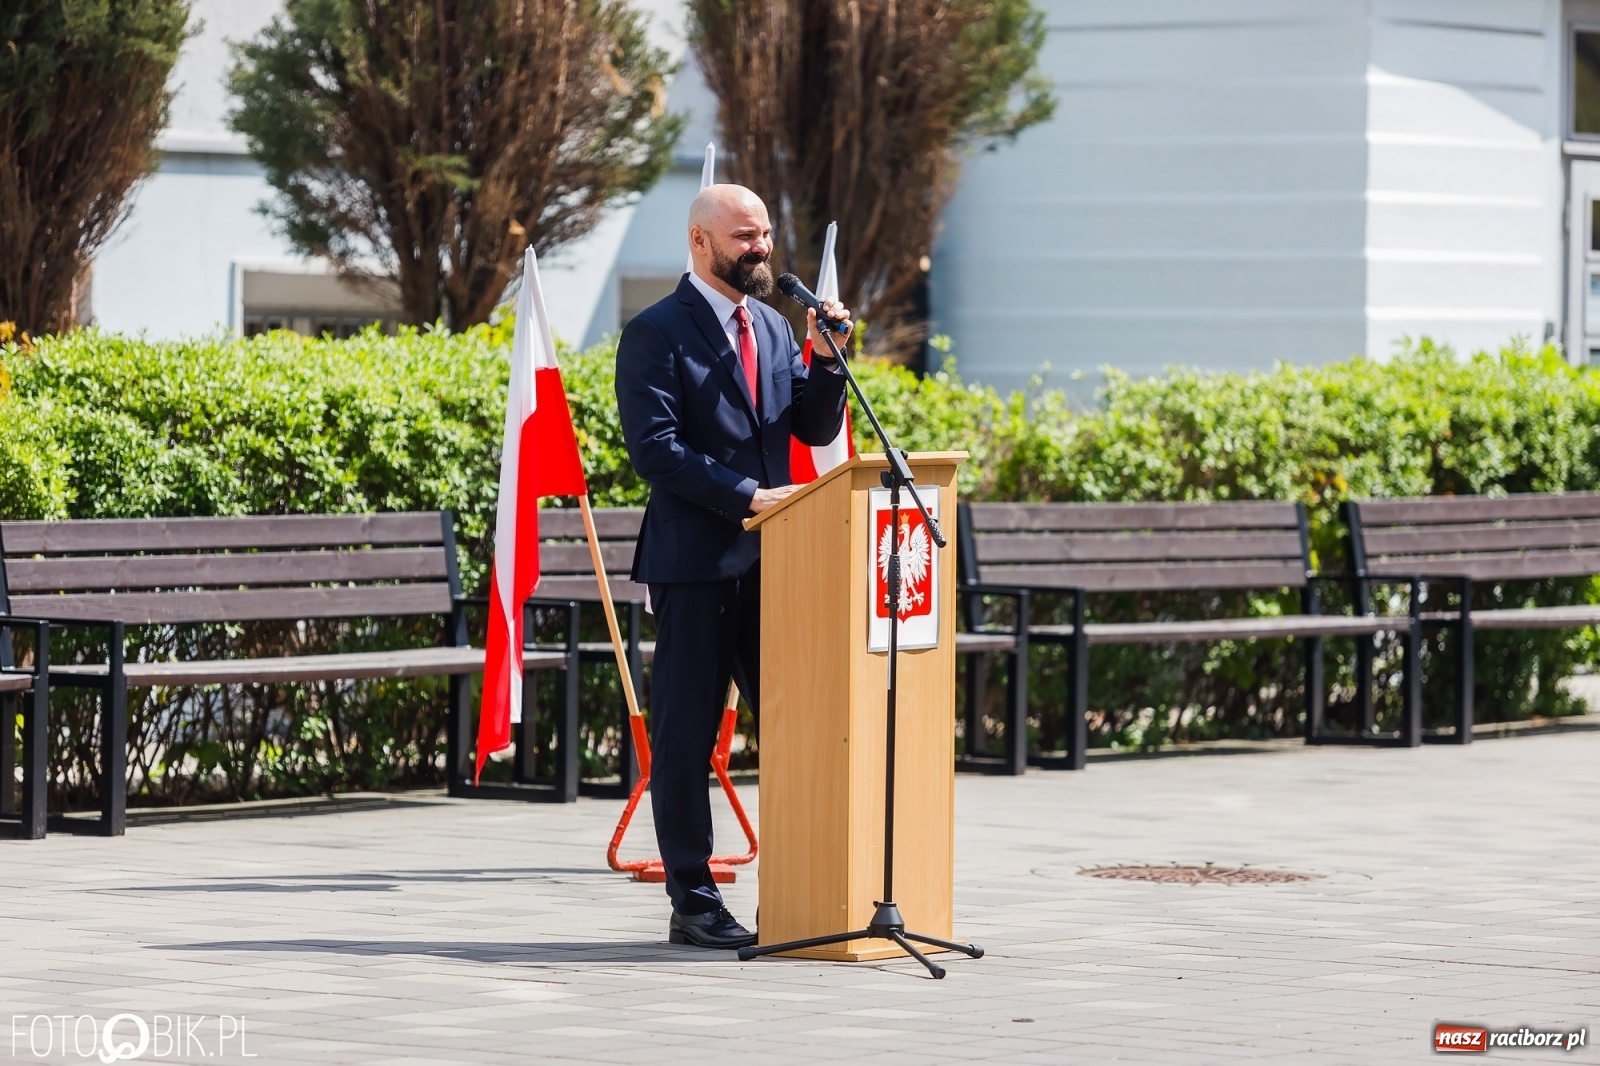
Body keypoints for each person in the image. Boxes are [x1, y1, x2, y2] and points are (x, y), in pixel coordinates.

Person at [615, 184, 852, 949]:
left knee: (792, 724)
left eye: (766, 234)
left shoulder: (779, 331)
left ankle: (810, 881)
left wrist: (828, 363)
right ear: (699, 242)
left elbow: (811, 428)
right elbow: (657, 452)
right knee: (685, 737)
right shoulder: (655, 332)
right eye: (745, 236)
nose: (761, 249)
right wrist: (750, 495)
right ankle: (694, 899)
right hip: (694, 564)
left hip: (776, 564)